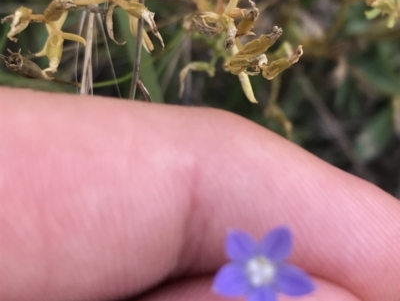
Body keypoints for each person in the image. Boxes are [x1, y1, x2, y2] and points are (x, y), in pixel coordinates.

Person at [0, 87, 399, 301]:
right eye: (261, 267)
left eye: (261, 268)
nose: (260, 271)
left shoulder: (271, 270)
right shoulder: (250, 256)